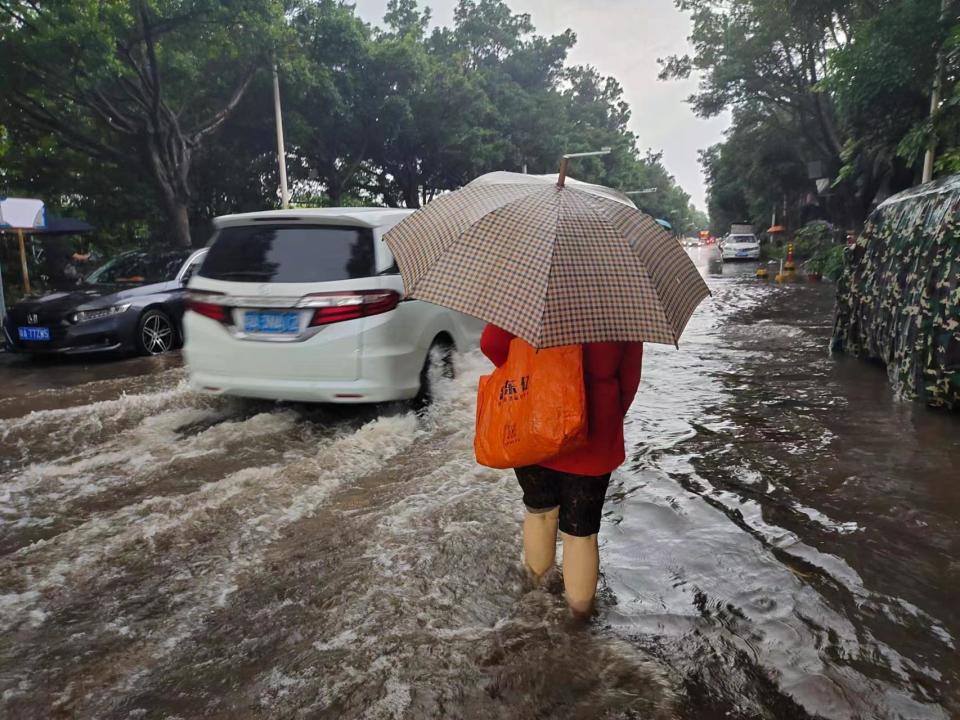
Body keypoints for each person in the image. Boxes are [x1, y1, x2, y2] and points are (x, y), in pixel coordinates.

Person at [480, 324, 644, 620]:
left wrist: (533, 361)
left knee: (540, 512)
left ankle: (537, 599)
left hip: (533, 414)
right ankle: (579, 623)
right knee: (580, 534)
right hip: (595, 426)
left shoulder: (529, 288)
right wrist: (608, 413)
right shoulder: (621, 300)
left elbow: (492, 345)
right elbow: (629, 376)